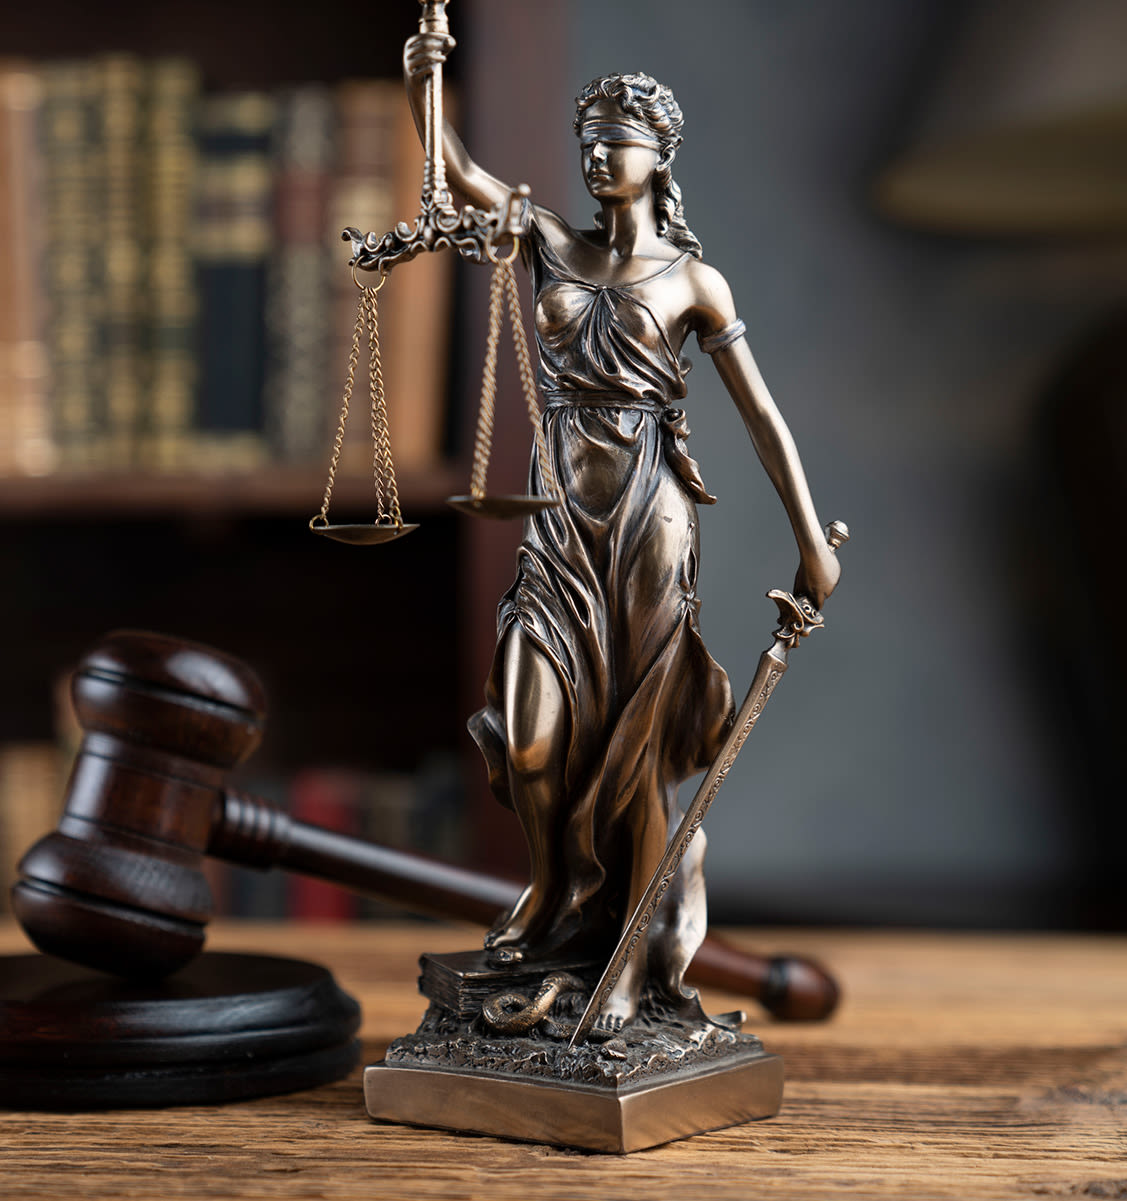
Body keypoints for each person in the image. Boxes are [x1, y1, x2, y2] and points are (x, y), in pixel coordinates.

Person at [404, 39, 841, 1032]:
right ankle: (556, 898)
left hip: (648, 520)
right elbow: (453, 174)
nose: (599, 158)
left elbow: (763, 417)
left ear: (660, 157)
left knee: (633, 749)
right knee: (529, 741)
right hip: (556, 520)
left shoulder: (695, 281)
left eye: (620, 142)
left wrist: (811, 541)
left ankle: (628, 956)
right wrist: (422, 75)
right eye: (589, 142)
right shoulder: (548, 242)